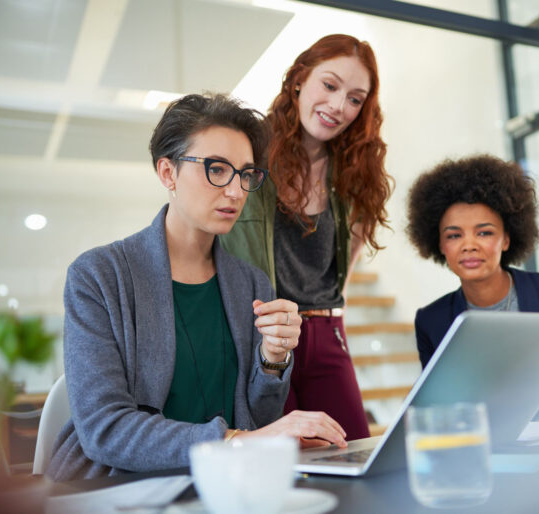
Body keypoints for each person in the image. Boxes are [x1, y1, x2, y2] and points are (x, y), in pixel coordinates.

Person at [48, 93, 347, 482]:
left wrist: (273, 359)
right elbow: (105, 431)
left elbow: (260, 418)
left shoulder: (251, 282)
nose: (237, 191)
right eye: (217, 169)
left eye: (245, 174)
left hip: (223, 485)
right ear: (168, 173)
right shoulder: (99, 277)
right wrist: (239, 440)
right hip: (117, 485)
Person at [221, 34, 391, 440]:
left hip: (327, 334)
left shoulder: (354, 169)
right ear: (299, 80)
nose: (338, 106)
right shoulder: (248, 152)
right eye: (329, 85)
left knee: (353, 449)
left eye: (355, 98)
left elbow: (347, 256)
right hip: (264, 335)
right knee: (288, 462)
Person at [406, 154, 539, 421]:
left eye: (484, 232)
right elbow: (440, 409)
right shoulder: (432, 321)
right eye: (454, 235)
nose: (469, 245)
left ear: (507, 239)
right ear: (440, 245)